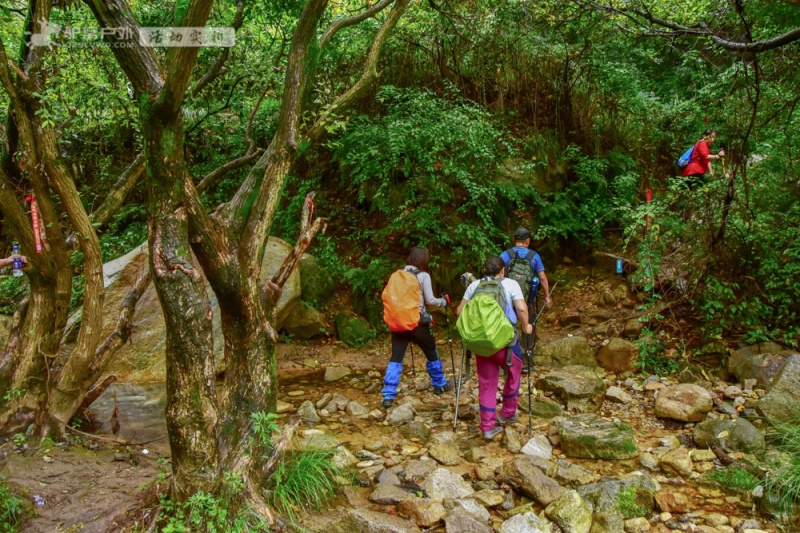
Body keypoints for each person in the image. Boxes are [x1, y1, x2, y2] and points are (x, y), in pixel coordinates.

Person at [456, 256, 533, 440]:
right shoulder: (511, 284)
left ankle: (488, 428)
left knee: (487, 384)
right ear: (503, 270)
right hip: (505, 342)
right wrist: (526, 327)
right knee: (514, 374)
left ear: (485, 270)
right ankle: (507, 413)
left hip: (482, 344)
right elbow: (521, 309)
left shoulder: (474, 286)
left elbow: (459, 311)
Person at [381, 247, 453, 409]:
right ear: (423, 261)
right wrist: (444, 301)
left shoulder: (396, 275)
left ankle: (388, 394)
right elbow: (430, 300)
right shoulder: (423, 276)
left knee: (396, 358)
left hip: (398, 323)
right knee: (431, 351)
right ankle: (439, 384)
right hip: (416, 323)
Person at [499, 227, 550, 370]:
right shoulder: (534, 256)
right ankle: (526, 363)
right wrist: (547, 296)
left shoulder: (505, 255)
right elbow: (542, 278)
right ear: (527, 241)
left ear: (515, 240)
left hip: (508, 301)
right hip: (527, 300)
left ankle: (508, 361)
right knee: (528, 327)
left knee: (507, 328)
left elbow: (498, 277)